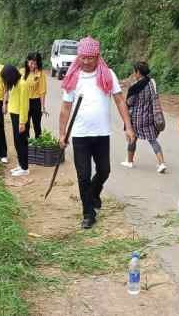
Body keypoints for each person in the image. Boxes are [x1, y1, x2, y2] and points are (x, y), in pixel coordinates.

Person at [58, 36, 135, 229]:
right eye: (83, 57)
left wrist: (128, 126)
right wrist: (62, 134)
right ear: (79, 57)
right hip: (80, 135)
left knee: (104, 170)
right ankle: (88, 213)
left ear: (97, 56)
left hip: (102, 134)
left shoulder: (107, 74)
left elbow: (119, 100)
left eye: (90, 58)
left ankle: (93, 193)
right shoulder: (73, 77)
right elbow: (66, 108)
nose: (86, 61)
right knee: (83, 175)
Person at [119, 62, 167, 173]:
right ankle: (161, 163)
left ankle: (129, 161)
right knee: (153, 140)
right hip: (149, 117)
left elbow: (129, 102)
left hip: (136, 118)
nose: (133, 73)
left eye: (134, 71)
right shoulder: (151, 83)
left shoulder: (135, 87)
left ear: (138, 72)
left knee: (132, 138)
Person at [3, 64, 30, 176]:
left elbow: (24, 105)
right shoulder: (15, 84)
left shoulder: (22, 84)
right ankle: (20, 164)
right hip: (14, 116)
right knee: (17, 142)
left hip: (20, 117)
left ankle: (25, 168)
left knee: (21, 143)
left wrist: (22, 122)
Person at [23, 52, 48, 139]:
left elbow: (42, 91)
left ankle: (38, 147)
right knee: (25, 125)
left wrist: (42, 106)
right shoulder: (22, 72)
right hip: (24, 101)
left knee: (37, 126)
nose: (33, 65)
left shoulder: (40, 74)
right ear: (27, 61)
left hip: (36, 102)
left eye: (35, 64)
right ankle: (26, 146)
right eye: (31, 63)